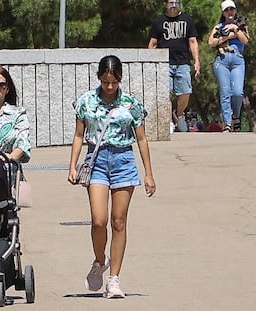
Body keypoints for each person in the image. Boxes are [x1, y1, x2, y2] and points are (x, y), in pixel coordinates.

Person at [68, 55, 156, 298]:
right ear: (99, 77)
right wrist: (72, 165)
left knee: (119, 221)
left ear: (120, 79)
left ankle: (114, 279)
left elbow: (141, 139)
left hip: (123, 161)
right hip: (96, 160)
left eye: (114, 82)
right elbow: (78, 135)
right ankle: (99, 260)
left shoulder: (130, 103)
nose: (109, 87)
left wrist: (148, 173)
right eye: (105, 81)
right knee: (99, 220)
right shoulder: (86, 101)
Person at [148, 0, 200, 132]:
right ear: (165, 4)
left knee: (185, 92)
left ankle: (179, 114)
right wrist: (151, 63)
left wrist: (197, 61)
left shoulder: (187, 19)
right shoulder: (159, 22)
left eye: (177, 3)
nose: (174, 6)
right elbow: (152, 44)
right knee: (166, 94)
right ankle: (169, 121)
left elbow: (193, 41)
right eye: (171, 3)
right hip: (165, 63)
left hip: (183, 62)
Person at [208, 0, 249, 133]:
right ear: (223, 13)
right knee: (225, 92)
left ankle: (236, 115)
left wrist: (235, 29)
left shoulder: (241, 25)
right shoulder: (218, 26)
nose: (230, 12)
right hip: (222, 60)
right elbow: (211, 42)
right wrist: (227, 37)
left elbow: (245, 40)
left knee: (237, 92)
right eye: (227, 10)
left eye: (232, 9)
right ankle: (227, 123)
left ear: (235, 11)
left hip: (237, 59)